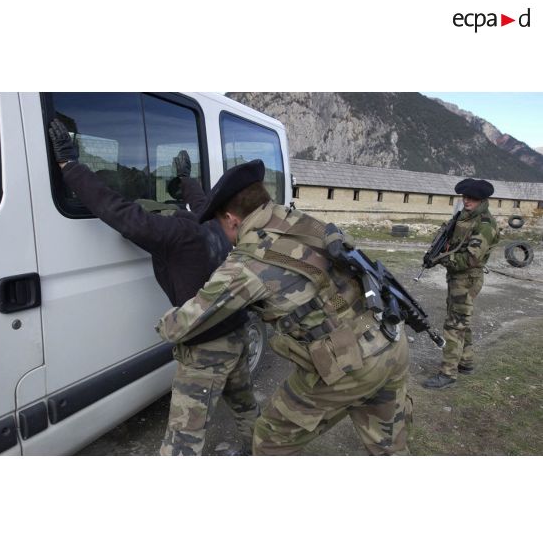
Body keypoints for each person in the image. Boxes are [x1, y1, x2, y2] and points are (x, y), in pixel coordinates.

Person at [155, 159, 412, 455]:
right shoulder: (304, 222)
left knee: (268, 441)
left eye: (219, 226)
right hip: (390, 341)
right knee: (389, 446)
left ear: (231, 219)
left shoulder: (247, 264)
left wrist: (162, 324)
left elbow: (187, 322)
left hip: (349, 365)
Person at [48, 118, 258, 455]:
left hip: (205, 347)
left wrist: (70, 166)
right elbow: (202, 202)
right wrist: (187, 178)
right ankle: (257, 450)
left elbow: (119, 212)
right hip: (236, 331)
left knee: (182, 443)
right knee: (245, 403)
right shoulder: (216, 225)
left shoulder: (175, 233)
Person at [423, 178, 500, 389]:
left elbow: (470, 259)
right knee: (461, 320)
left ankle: (448, 373)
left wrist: (441, 259)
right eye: (465, 197)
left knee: (454, 324)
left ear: (482, 199)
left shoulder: (485, 224)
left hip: (467, 278)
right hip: (457, 277)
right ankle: (466, 361)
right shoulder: (463, 217)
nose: (467, 201)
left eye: (472, 198)